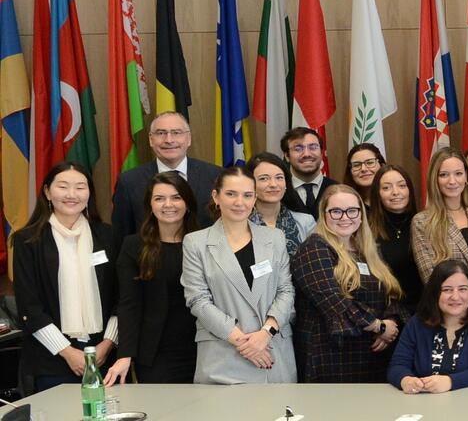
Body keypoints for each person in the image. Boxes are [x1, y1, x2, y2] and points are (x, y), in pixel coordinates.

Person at [182, 167, 297, 384]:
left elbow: (286, 290)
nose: (239, 202)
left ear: (254, 199)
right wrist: (245, 343)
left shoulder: (275, 237)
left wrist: (265, 334)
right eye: (231, 194)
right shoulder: (195, 243)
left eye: (247, 195)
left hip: (273, 353)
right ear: (216, 196)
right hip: (223, 356)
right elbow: (198, 300)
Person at [11, 163, 119, 394]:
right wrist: (67, 352)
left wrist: (107, 344)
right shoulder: (28, 241)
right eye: (63, 186)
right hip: (51, 358)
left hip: (104, 356)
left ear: (89, 193)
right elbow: (29, 306)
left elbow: (122, 298)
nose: (72, 194)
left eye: (80, 187)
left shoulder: (108, 236)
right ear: (47, 192)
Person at [291, 184, 409, 382]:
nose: (345, 217)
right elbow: (334, 302)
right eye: (336, 211)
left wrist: (391, 321)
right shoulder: (314, 247)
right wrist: (379, 327)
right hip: (331, 358)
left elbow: (391, 293)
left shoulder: (368, 250)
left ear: (361, 214)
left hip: (372, 356)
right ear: (324, 215)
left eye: (352, 210)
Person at [107, 171, 199, 385]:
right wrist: (124, 354)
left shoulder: (204, 242)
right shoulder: (133, 246)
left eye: (176, 197)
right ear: (150, 205)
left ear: (187, 203)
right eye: (159, 198)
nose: (168, 204)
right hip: (155, 353)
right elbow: (129, 304)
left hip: (203, 348)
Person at [389, 259, 468, 393]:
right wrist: (405, 380)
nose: (455, 297)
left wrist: (451, 382)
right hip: (426, 401)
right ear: (435, 292)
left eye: (462, 289)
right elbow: (397, 365)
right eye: (447, 290)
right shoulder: (417, 323)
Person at [108, 111, 219, 249]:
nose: (169, 140)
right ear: (151, 139)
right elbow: (121, 237)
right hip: (150, 259)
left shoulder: (215, 176)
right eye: (161, 133)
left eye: (176, 132)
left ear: (188, 138)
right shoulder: (129, 182)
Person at [411, 148, 468, 313]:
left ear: (466, 177)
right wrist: (460, 313)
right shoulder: (422, 222)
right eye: (444, 175)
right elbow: (430, 277)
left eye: (458, 173)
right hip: (448, 314)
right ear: (435, 179)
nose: (452, 181)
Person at [371, 164, 424, 309]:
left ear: (410, 190)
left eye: (401, 186)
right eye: (386, 188)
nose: (395, 192)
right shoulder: (368, 231)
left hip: (427, 309)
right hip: (389, 311)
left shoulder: (424, 224)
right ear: (377, 194)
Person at [248, 153, 315, 258]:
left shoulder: (306, 222)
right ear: (249, 184)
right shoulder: (240, 224)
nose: (273, 184)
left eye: (279, 177)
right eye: (264, 178)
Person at [281, 126, 338, 219]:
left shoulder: (338, 190)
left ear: (321, 152)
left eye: (313, 147)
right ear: (287, 156)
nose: (306, 154)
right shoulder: (277, 191)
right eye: (298, 149)